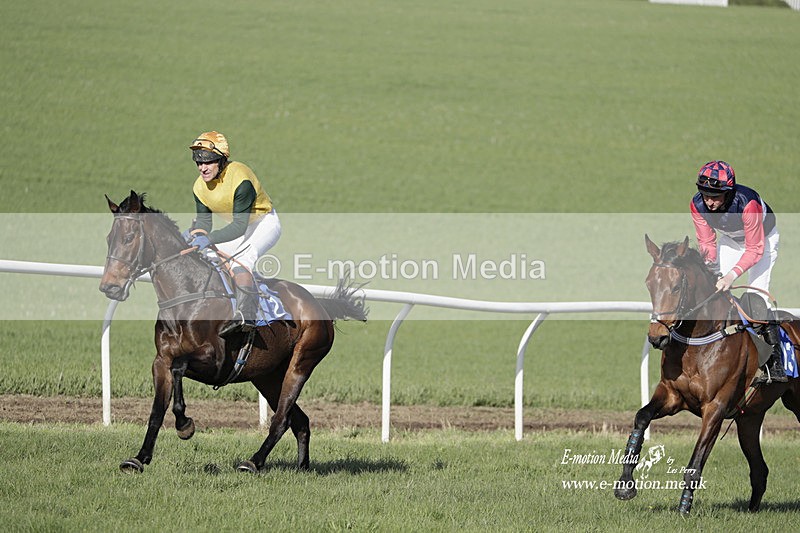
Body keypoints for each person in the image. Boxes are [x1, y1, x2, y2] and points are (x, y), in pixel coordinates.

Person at [690, 159, 786, 383]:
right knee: (714, 291)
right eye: (705, 195)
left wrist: (732, 275)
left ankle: (775, 364)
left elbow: (754, 249)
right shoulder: (697, 205)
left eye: (715, 196)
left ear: (728, 192)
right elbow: (707, 242)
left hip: (763, 241)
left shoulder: (747, 203)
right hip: (731, 241)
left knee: (756, 297)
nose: (710, 202)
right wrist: (712, 270)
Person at [186, 131, 281, 338]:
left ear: (221, 160)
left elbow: (238, 227)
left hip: (263, 223)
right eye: (199, 163)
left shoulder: (240, 178)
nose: (202, 168)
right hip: (240, 226)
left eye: (208, 162)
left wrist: (209, 239)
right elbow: (204, 222)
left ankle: (246, 318)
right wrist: (196, 234)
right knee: (208, 258)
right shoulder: (198, 187)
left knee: (241, 262)